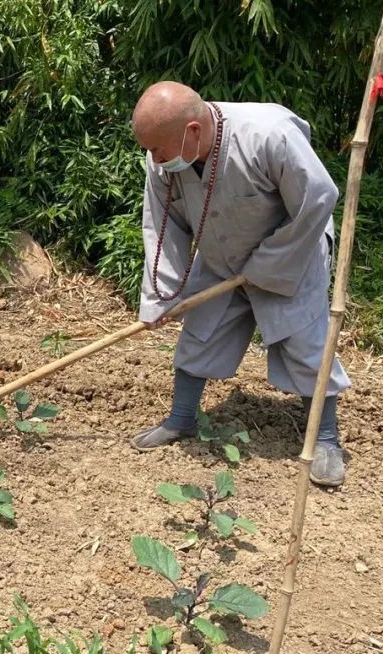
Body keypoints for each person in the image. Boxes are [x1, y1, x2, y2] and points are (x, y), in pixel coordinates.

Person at [129, 81, 349, 486]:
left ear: (193, 131)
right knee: (201, 330)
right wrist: (162, 297)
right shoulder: (161, 161)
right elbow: (163, 229)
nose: (154, 158)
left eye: (159, 148)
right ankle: (181, 419)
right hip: (219, 251)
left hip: (290, 250)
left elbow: (317, 198)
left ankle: (327, 439)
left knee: (305, 342)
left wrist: (266, 265)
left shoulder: (269, 133)